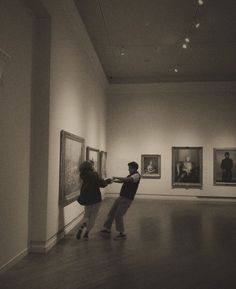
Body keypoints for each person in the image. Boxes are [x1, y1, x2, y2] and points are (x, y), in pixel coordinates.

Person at [100, 161, 141, 240]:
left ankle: (122, 233)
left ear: (133, 168)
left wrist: (116, 177)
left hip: (127, 199)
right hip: (121, 197)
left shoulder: (136, 175)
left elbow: (127, 179)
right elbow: (123, 181)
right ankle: (107, 228)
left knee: (118, 215)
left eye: (129, 168)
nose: (128, 169)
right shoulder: (131, 174)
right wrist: (113, 181)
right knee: (112, 212)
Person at [76, 161, 112, 240]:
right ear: (90, 167)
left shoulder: (82, 175)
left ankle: (83, 225)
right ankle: (86, 233)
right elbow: (101, 184)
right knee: (93, 216)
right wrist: (108, 181)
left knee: (86, 215)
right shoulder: (94, 174)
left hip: (86, 198)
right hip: (95, 198)